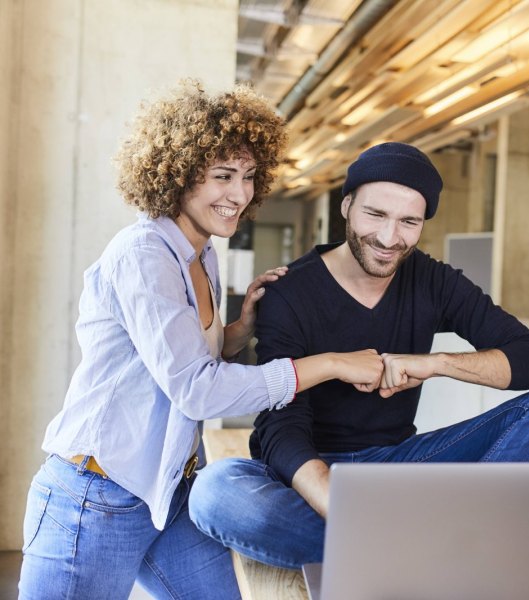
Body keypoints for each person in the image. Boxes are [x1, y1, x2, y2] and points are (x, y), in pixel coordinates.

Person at [18, 81, 384, 600]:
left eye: (250, 177)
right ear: (177, 173)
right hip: (95, 498)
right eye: (222, 176)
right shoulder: (144, 254)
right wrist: (329, 364)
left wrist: (242, 328)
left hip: (166, 491)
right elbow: (195, 389)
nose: (239, 194)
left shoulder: (201, 254)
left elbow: (186, 358)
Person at [189, 142, 529, 570]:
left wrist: (436, 364)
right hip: (309, 470)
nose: (390, 238)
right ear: (347, 205)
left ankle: (400, 542)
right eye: (375, 215)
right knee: (216, 493)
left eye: (408, 221)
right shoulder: (288, 291)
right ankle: (440, 545)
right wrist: (339, 504)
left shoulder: (432, 280)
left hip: (398, 466)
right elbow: (282, 426)